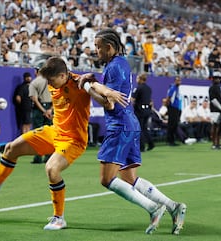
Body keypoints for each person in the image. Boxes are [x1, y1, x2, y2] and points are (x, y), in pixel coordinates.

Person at [0, 57, 125, 230]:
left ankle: (59, 218)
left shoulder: (80, 83)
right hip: (54, 131)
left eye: (51, 79)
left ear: (63, 75)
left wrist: (107, 94)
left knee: (51, 168)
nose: (49, 83)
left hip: (73, 140)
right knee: (10, 148)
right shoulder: (53, 83)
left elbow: (99, 95)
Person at [78, 28, 187, 235]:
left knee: (106, 179)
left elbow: (109, 104)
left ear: (109, 48)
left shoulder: (113, 68)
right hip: (130, 123)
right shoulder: (120, 64)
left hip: (119, 125)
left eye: (98, 47)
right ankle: (174, 207)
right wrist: (95, 83)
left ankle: (154, 208)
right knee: (129, 178)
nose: (96, 51)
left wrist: (87, 87)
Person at [29, 67, 53, 164]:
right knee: (49, 133)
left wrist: (43, 110)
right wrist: (49, 110)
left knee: (38, 134)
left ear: (37, 72)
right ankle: (49, 156)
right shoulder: (51, 81)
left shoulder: (34, 82)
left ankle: (38, 157)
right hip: (50, 108)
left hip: (38, 109)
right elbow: (57, 97)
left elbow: (34, 99)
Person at [132, 73, 154, 152]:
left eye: (137, 78)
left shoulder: (138, 88)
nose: (136, 80)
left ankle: (142, 147)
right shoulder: (148, 88)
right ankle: (151, 144)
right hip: (147, 110)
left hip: (139, 110)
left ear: (140, 79)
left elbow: (132, 99)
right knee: (144, 128)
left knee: (139, 128)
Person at [209, 71, 221, 149]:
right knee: (215, 126)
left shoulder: (219, 88)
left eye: (219, 78)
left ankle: (218, 143)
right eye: (216, 78)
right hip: (215, 109)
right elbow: (213, 100)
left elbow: (220, 99)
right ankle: (213, 144)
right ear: (213, 79)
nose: (218, 80)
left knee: (220, 127)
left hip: (220, 109)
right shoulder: (212, 88)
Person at [166, 76, 182, 146]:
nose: (179, 82)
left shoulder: (177, 88)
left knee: (175, 124)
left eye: (179, 81)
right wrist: (169, 106)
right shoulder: (173, 88)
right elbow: (169, 97)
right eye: (177, 81)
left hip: (176, 108)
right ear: (175, 81)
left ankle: (172, 140)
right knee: (171, 124)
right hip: (172, 108)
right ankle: (170, 140)